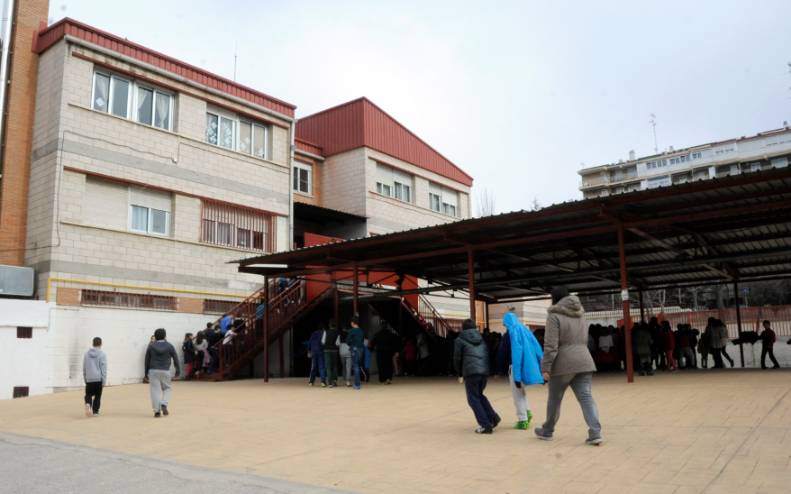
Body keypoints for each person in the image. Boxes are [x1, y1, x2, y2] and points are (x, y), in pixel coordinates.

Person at [535, 287, 602, 446]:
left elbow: (550, 345)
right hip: (584, 360)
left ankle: (547, 431)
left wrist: (546, 368)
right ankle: (595, 433)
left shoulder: (554, 316)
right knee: (586, 397)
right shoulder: (581, 313)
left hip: (563, 363)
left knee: (554, 399)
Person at [454, 319, 500, 434]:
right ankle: (493, 417)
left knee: (473, 399)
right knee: (479, 395)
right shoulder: (482, 339)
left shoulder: (459, 340)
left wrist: (459, 373)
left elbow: (457, 358)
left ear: (463, 328)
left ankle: (485, 425)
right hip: (483, 372)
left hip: (471, 373)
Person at [503, 310, 544, 430]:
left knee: (517, 394)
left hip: (516, 368)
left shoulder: (512, 333)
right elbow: (537, 348)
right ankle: (527, 412)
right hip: (528, 365)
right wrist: (542, 367)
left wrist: (516, 376)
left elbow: (516, 354)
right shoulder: (525, 330)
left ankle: (523, 420)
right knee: (521, 392)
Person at [144, 328, 181, 418]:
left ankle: (157, 411)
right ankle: (164, 403)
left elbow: (147, 360)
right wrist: (178, 371)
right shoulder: (169, 346)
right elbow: (175, 358)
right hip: (165, 370)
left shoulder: (151, 346)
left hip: (153, 370)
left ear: (155, 336)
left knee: (155, 390)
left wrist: (146, 373)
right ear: (165, 336)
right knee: (167, 388)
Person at [83, 337, 107, 417]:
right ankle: (95, 411)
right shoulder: (102, 354)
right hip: (98, 379)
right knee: (98, 395)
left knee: (88, 394)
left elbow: (84, 367)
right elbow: (103, 368)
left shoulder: (86, 354)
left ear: (92, 343)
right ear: (101, 344)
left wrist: (85, 378)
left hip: (89, 378)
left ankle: (88, 403)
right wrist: (104, 380)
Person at [347, 315, 365, 390]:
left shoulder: (351, 331)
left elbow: (347, 341)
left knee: (355, 366)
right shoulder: (361, 331)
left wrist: (351, 343)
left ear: (353, 323)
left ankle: (357, 384)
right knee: (358, 365)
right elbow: (362, 340)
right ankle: (357, 383)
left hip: (354, 349)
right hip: (361, 349)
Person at [322, 322, 340, 387]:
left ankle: (329, 383)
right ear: (335, 326)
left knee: (328, 366)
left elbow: (323, 341)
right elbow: (338, 343)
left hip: (327, 350)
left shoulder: (326, 332)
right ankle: (334, 381)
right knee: (334, 366)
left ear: (329, 325)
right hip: (334, 350)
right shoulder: (337, 333)